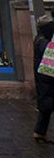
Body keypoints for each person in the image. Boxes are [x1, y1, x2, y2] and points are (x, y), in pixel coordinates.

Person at [33, 14, 54, 144]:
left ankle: (40, 132)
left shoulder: (40, 38)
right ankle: (39, 132)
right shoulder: (43, 41)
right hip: (47, 76)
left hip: (43, 76)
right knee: (46, 105)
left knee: (46, 106)